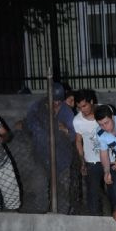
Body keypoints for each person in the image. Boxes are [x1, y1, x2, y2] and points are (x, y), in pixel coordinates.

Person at [25, 82, 79, 214]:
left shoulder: (66, 110)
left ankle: (62, 214)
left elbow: (73, 134)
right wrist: (54, 126)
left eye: (59, 102)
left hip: (62, 156)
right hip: (41, 155)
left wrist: (65, 130)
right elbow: (30, 127)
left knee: (64, 188)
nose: (56, 104)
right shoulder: (37, 108)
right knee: (40, 186)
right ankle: (41, 212)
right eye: (53, 101)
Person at [73, 89, 105, 215]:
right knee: (93, 194)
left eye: (85, 106)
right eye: (79, 107)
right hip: (92, 162)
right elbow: (78, 141)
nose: (82, 110)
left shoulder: (105, 110)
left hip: (111, 159)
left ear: (91, 102)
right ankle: (95, 219)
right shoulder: (78, 121)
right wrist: (82, 162)